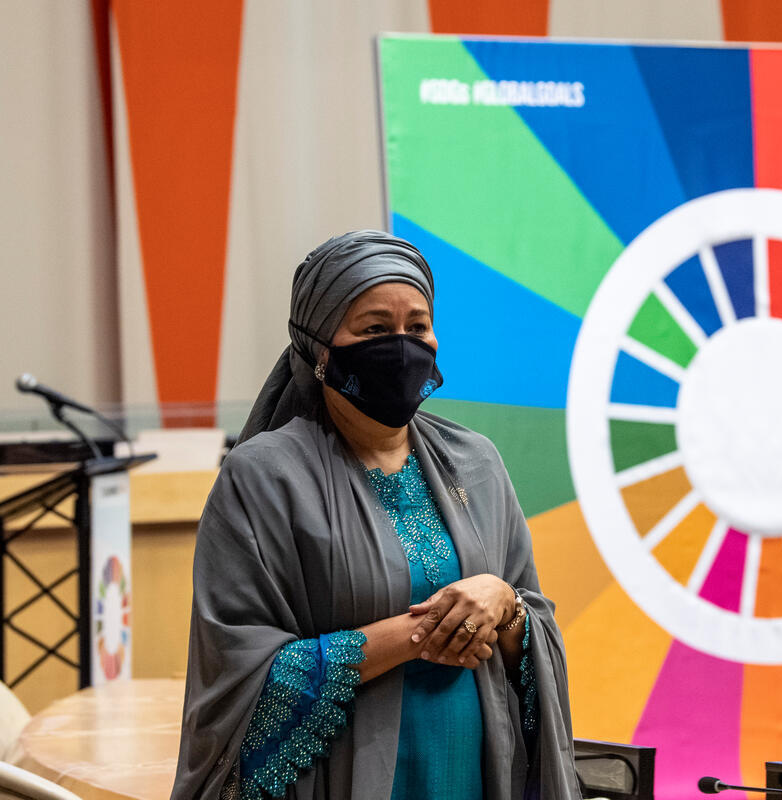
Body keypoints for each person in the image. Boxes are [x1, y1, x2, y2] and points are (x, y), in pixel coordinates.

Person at [170, 231, 579, 800]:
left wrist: (506, 606)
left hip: (474, 774)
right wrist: (417, 634)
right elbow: (238, 679)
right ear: (318, 349)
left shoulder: (477, 464)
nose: (403, 346)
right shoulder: (261, 477)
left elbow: (533, 635)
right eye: (374, 330)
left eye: (418, 327)